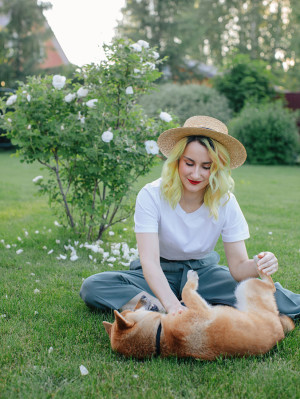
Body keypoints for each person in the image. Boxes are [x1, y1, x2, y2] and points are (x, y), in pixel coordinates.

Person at [80, 115, 300, 319]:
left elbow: (239, 268)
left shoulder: (226, 201)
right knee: (94, 286)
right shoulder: (151, 194)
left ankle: (163, 309)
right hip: (157, 273)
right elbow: (149, 263)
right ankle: (163, 307)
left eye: (207, 167)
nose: (196, 174)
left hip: (203, 274)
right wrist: (171, 305)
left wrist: (259, 264)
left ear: (218, 168)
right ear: (177, 161)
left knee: (265, 292)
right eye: (189, 163)